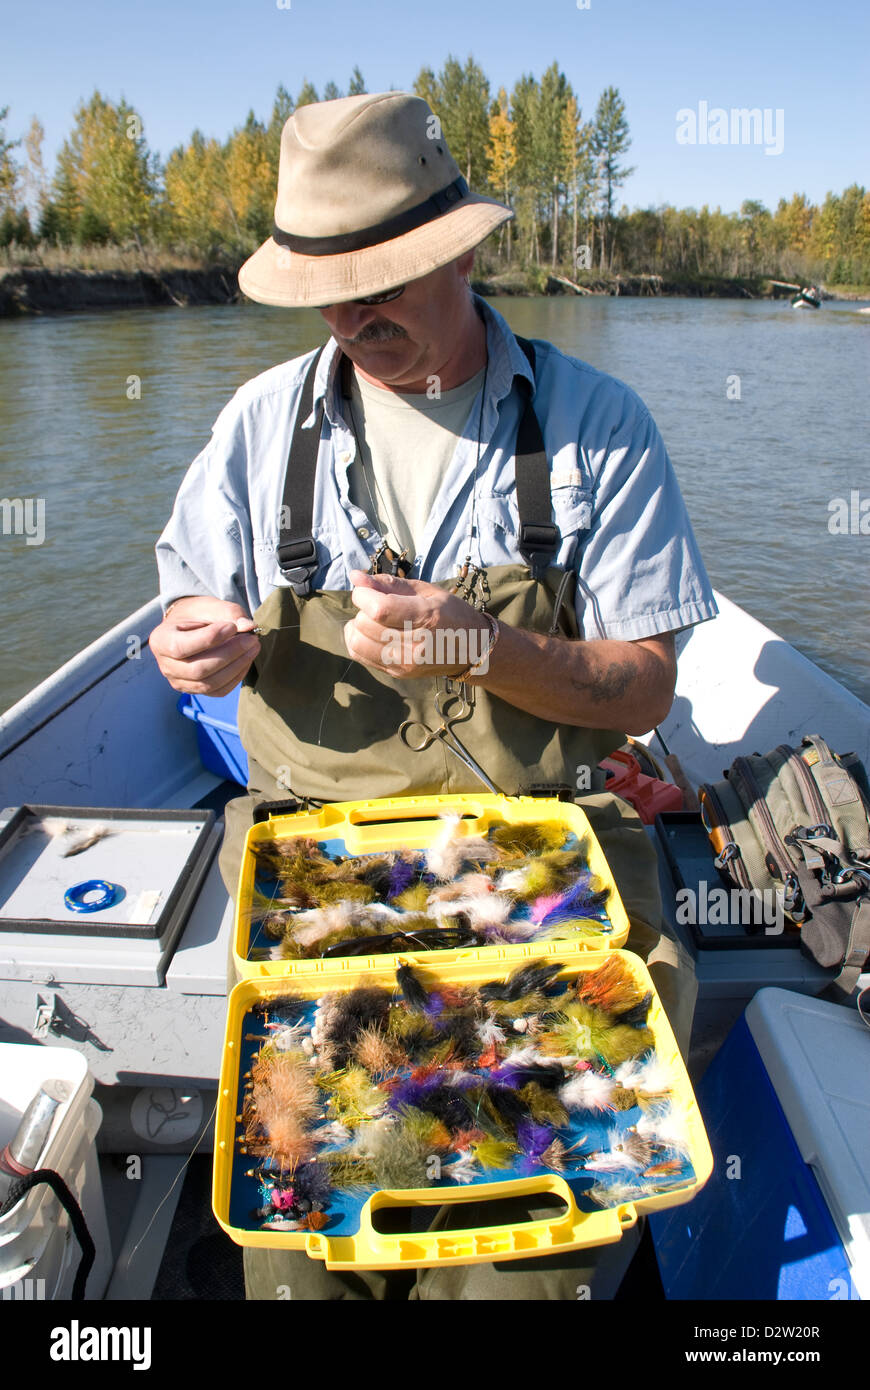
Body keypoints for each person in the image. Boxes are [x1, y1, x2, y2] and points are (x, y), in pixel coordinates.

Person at [150, 91, 718, 1300]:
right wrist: (195, 647)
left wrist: (482, 647)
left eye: (383, 281)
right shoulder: (258, 428)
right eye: (327, 292)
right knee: (303, 1255)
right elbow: (185, 614)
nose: (353, 317)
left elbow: (644, 691)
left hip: (543, 875)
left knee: (522, 1258)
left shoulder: (596, 426)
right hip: (315, 886)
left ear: (461, 248)